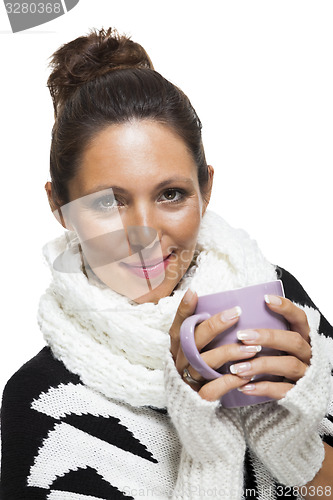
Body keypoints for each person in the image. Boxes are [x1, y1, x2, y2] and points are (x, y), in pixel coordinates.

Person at [0, 27, 332, 500]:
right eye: (107, 203)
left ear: (206, 189)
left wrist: (290, 441)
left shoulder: (279, 306)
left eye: (171, 194)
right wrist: (208, 455)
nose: (145, 234)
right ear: (59, 206)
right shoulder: (46, 404)